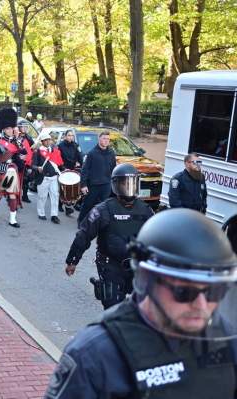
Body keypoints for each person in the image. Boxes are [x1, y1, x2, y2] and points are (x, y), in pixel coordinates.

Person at [47, 208, 237, 399]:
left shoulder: (225, 337)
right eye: (184, 292)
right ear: (147, 280)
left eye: (214, 291)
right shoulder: (94, 356)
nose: (202, 306)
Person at [65, 163, 154, 309]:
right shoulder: (103, 210)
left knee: (141, 309)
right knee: (112, 308)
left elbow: (157, 239)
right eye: (125, 184)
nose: (129, 188)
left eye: (132, 183)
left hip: (138, 266)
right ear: (116, 185)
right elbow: (83, 236)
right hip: (111, 265)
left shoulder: (146, 210)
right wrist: (72, 261)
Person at [0, 108, 23, 228]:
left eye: (11, 127)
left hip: (12, 171)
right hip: (1, 170)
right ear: (3, 129)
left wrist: (22, 159)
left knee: (12, 194)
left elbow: (18, 157)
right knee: (0, 194)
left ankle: (12, 219)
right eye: (7, 128)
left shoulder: (16, 142)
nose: (10, 130)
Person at [77, 131, 116, 225]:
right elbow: (85, 170)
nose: (106, 141)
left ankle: (99, 224)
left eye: (108, 139)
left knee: (103, 206)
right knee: (87, 205)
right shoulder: (92, 153)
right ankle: (81, 222)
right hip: (93, 185)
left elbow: (113, 169)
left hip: (106, 185)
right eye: (104, 138)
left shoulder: (111, 153)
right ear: (99, 139)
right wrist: (83, 185)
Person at [33, 131, 63, 224]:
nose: (48, 141)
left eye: (49, 140)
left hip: (53, 177)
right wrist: (37, 168)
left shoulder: (54, 150)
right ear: (42, 141)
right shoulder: (37, 151)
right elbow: (32, 164)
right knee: (42, 196)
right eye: (46, 140)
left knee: (55, 196)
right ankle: (41, 213)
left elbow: (59, 163)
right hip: (43, 177)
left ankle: (54, 215)